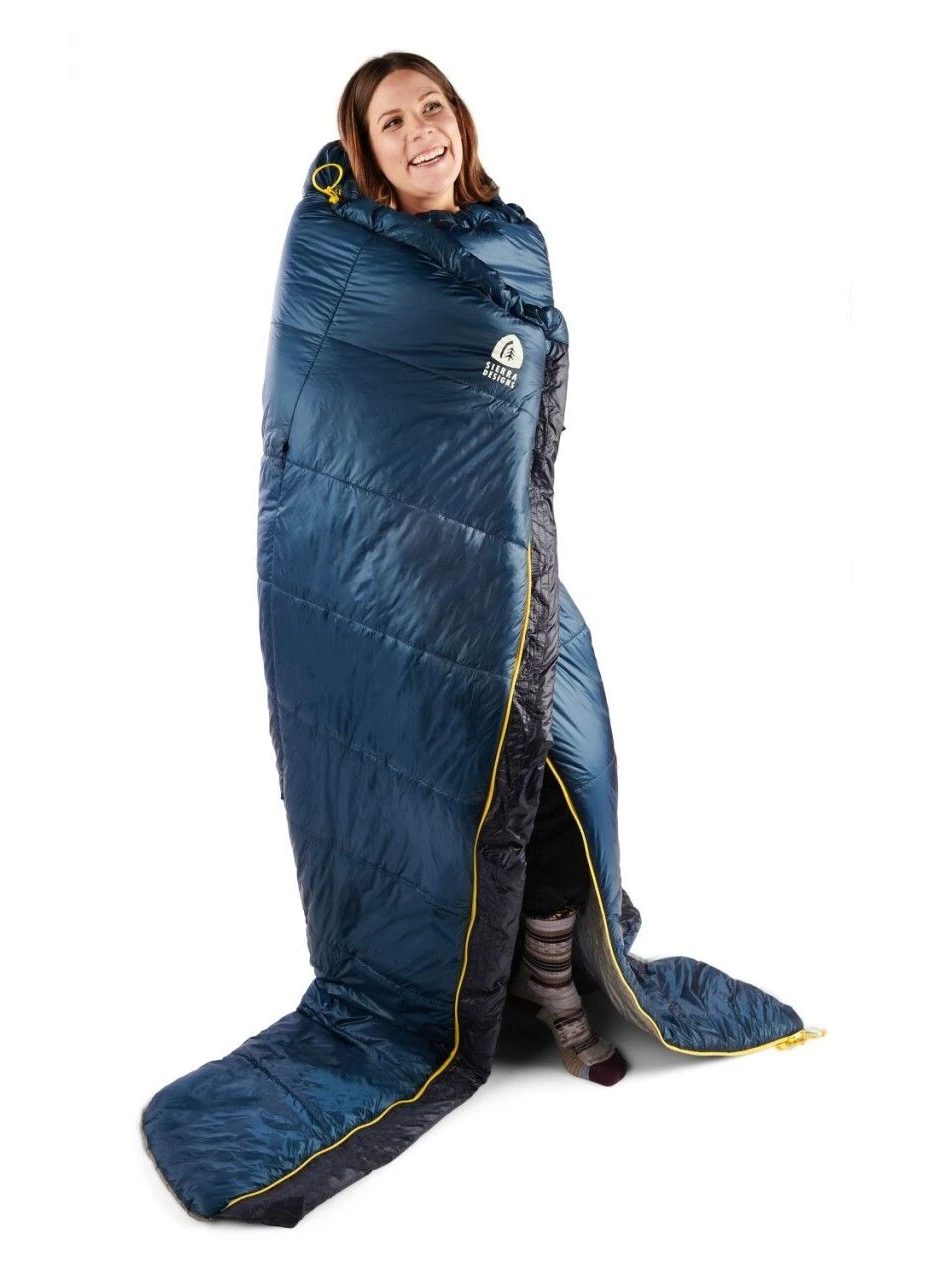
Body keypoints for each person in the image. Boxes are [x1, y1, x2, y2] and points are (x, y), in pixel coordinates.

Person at [334, 52, 627, 1087]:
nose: (421, 131)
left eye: (432, 107)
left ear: (459, 118)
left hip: (515, 553)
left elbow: (537, 411)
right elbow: (339, 424)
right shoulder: (360, 266)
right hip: (410, 575)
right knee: (468, 789)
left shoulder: (514, 243)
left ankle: (549, 975)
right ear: (366, 154)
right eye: (390, 123)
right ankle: (491, 992)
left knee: (569, 764)